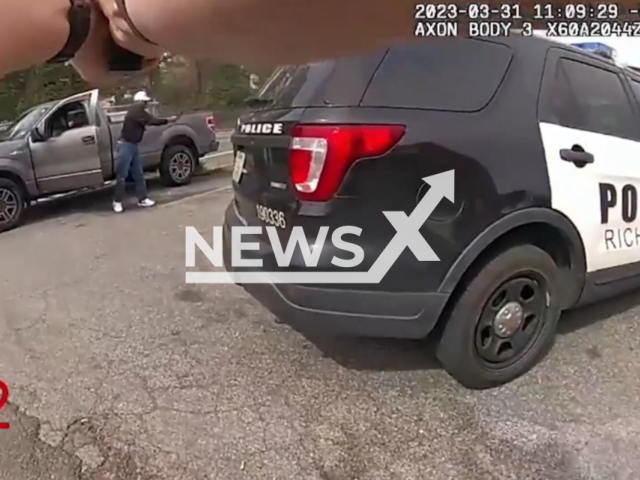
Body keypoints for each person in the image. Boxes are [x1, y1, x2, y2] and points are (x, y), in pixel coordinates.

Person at [112, 90, 174, 213]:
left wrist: (167, 120)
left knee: (138, 174)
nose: (146, 104)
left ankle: (142, 198)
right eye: (145, 102)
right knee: (122, 175)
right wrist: (168, 120)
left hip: (132, 145)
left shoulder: (137, 111)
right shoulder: (136, 111)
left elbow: (150, 120)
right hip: (126, 145)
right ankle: (117, 201)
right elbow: (152, 120)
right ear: (140, 101)